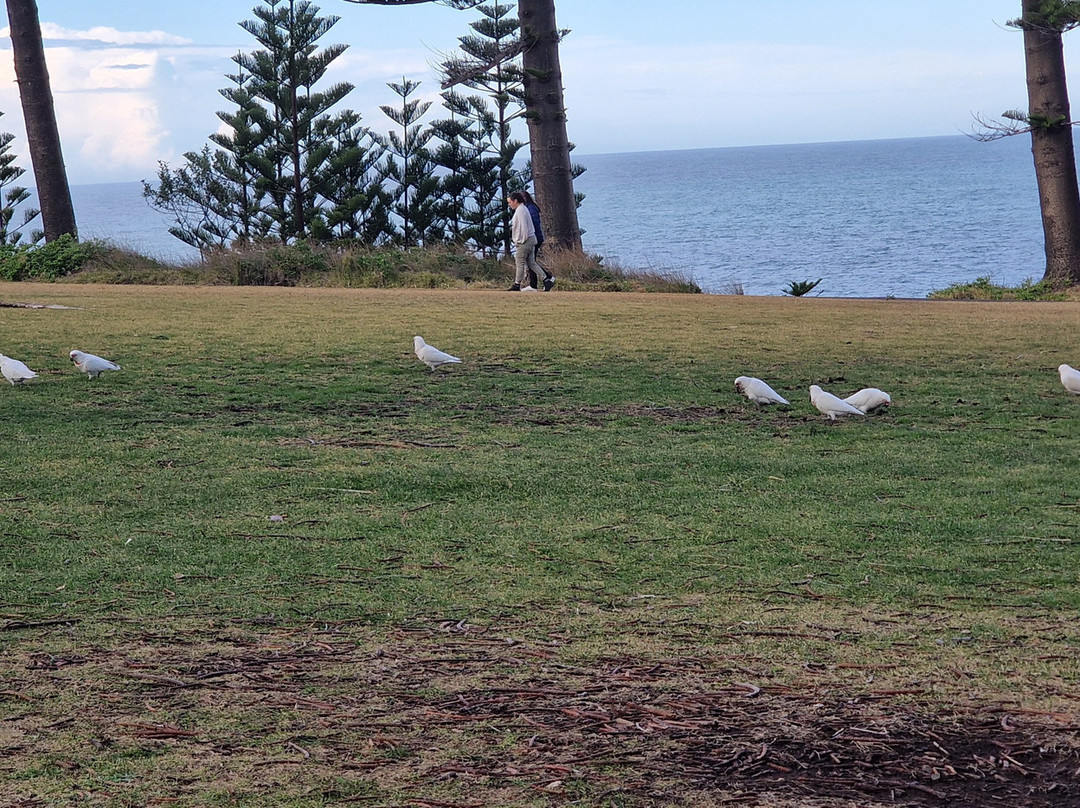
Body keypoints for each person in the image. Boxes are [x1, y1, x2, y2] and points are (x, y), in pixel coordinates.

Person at [506, 190, 552, 292]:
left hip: (525, 240)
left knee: (519, 262)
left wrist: (519, 241)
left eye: (510, 202)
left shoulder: (520, 211)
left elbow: (523, 228)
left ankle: (517, 284)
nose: (509, 205)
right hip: (531, 239)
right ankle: (546, 279)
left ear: (515, 201)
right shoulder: (524, 209)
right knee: (531, 262)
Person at [520, 190, 554, 291]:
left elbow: (534, 222)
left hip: (535, 237)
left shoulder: (530, 208)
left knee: (531, 261)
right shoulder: (530, 207)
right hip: (535, 236)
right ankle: (545, 279)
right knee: (531, 261)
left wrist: (528, 233)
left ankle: (539, 282)